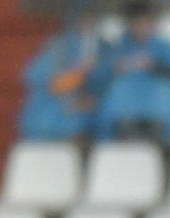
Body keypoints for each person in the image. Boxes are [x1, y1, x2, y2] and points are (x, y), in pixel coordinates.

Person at [90, 0, 170, 144]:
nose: (141, 28)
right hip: (121, 117)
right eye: (136, 23)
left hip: (159, 114)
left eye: (145, 23)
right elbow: (99, 81)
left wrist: (153, 66)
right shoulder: (117, 48)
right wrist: (116, 69)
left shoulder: (166, 47)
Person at [18, 7, 107, 140]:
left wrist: (92, 99)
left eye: (92, 18)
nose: (88, 23)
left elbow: (104, 81)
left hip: (90, 110)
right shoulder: (59, 47)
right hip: (54, 110)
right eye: (84, 18)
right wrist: (77, 73)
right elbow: (35, 77)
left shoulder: (104, 47)